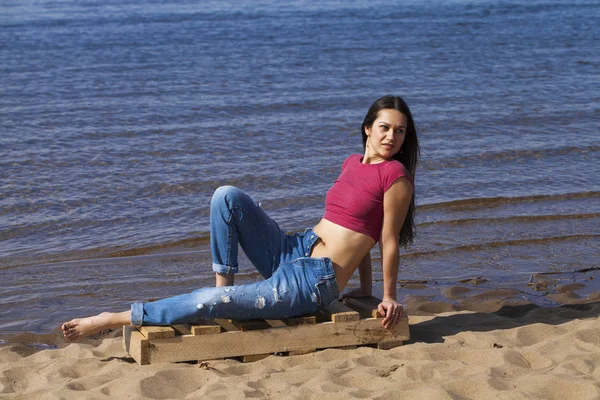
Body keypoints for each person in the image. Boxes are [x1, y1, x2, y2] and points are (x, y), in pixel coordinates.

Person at [61, 95, 419, 340]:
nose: (392, 136)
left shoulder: (396, 177)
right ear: (368, 128)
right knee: (226, 197)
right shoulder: (351, 163)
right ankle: (225, 290)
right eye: (385, 127)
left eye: (400, 131)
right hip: (295, 248)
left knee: (205, 302)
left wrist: (386, 296)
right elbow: (363, 227)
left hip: (312, 283)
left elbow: (385, 239)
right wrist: (366, 289)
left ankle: (110, 318)